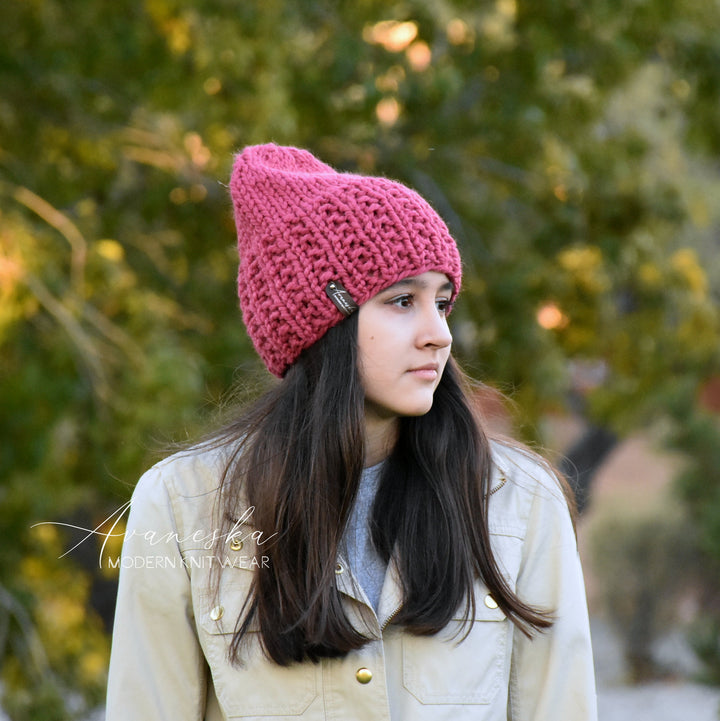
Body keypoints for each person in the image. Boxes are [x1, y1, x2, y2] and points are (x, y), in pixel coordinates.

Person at [106, 143, 597, 720]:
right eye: (401, 301)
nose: (438, 333)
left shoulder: (520, 500)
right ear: (322, 323)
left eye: (442, 303)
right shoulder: (182, 504)